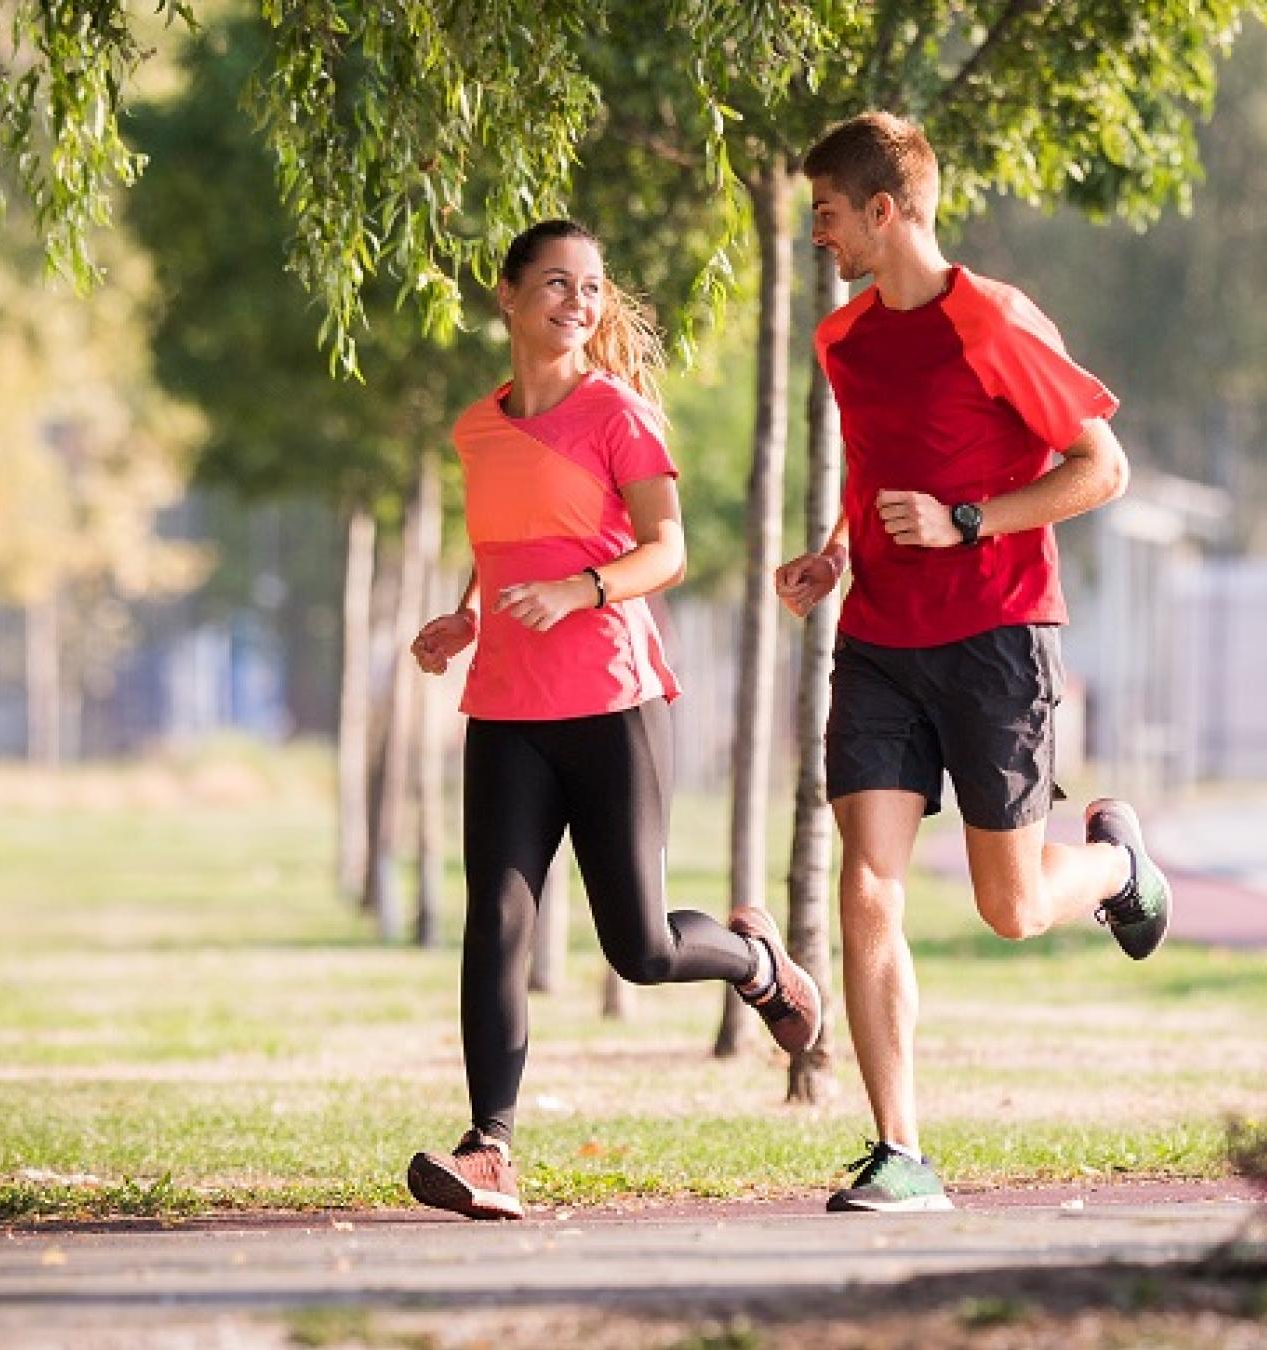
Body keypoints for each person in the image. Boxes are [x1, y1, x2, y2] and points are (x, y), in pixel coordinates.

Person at [772, 113, 1175, 1214]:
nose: (821, 235)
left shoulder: (993, 322)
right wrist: (833, 556)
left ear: (886, 212)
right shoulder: (842, 340)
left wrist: (968, 519)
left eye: (830, 214)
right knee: (867, 882)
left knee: (1012, 908)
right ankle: (900, 1150)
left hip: (999, 636)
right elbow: (873, 470)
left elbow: (1104, 468)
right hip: (879, 644)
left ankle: (1118, 867)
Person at [403, 219, 822, 1222]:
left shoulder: (617, 413)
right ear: (506, 296)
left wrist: (584, 591)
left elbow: (665, 550)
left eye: (590, 288)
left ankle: (759, 964)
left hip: (610, 699)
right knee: (495, 920)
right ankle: (490, 1149)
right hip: (504, 703)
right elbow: (508, 538)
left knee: (637, 944)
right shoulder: (477, 425)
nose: (577, 304)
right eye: (555, 284)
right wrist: (465, 613)